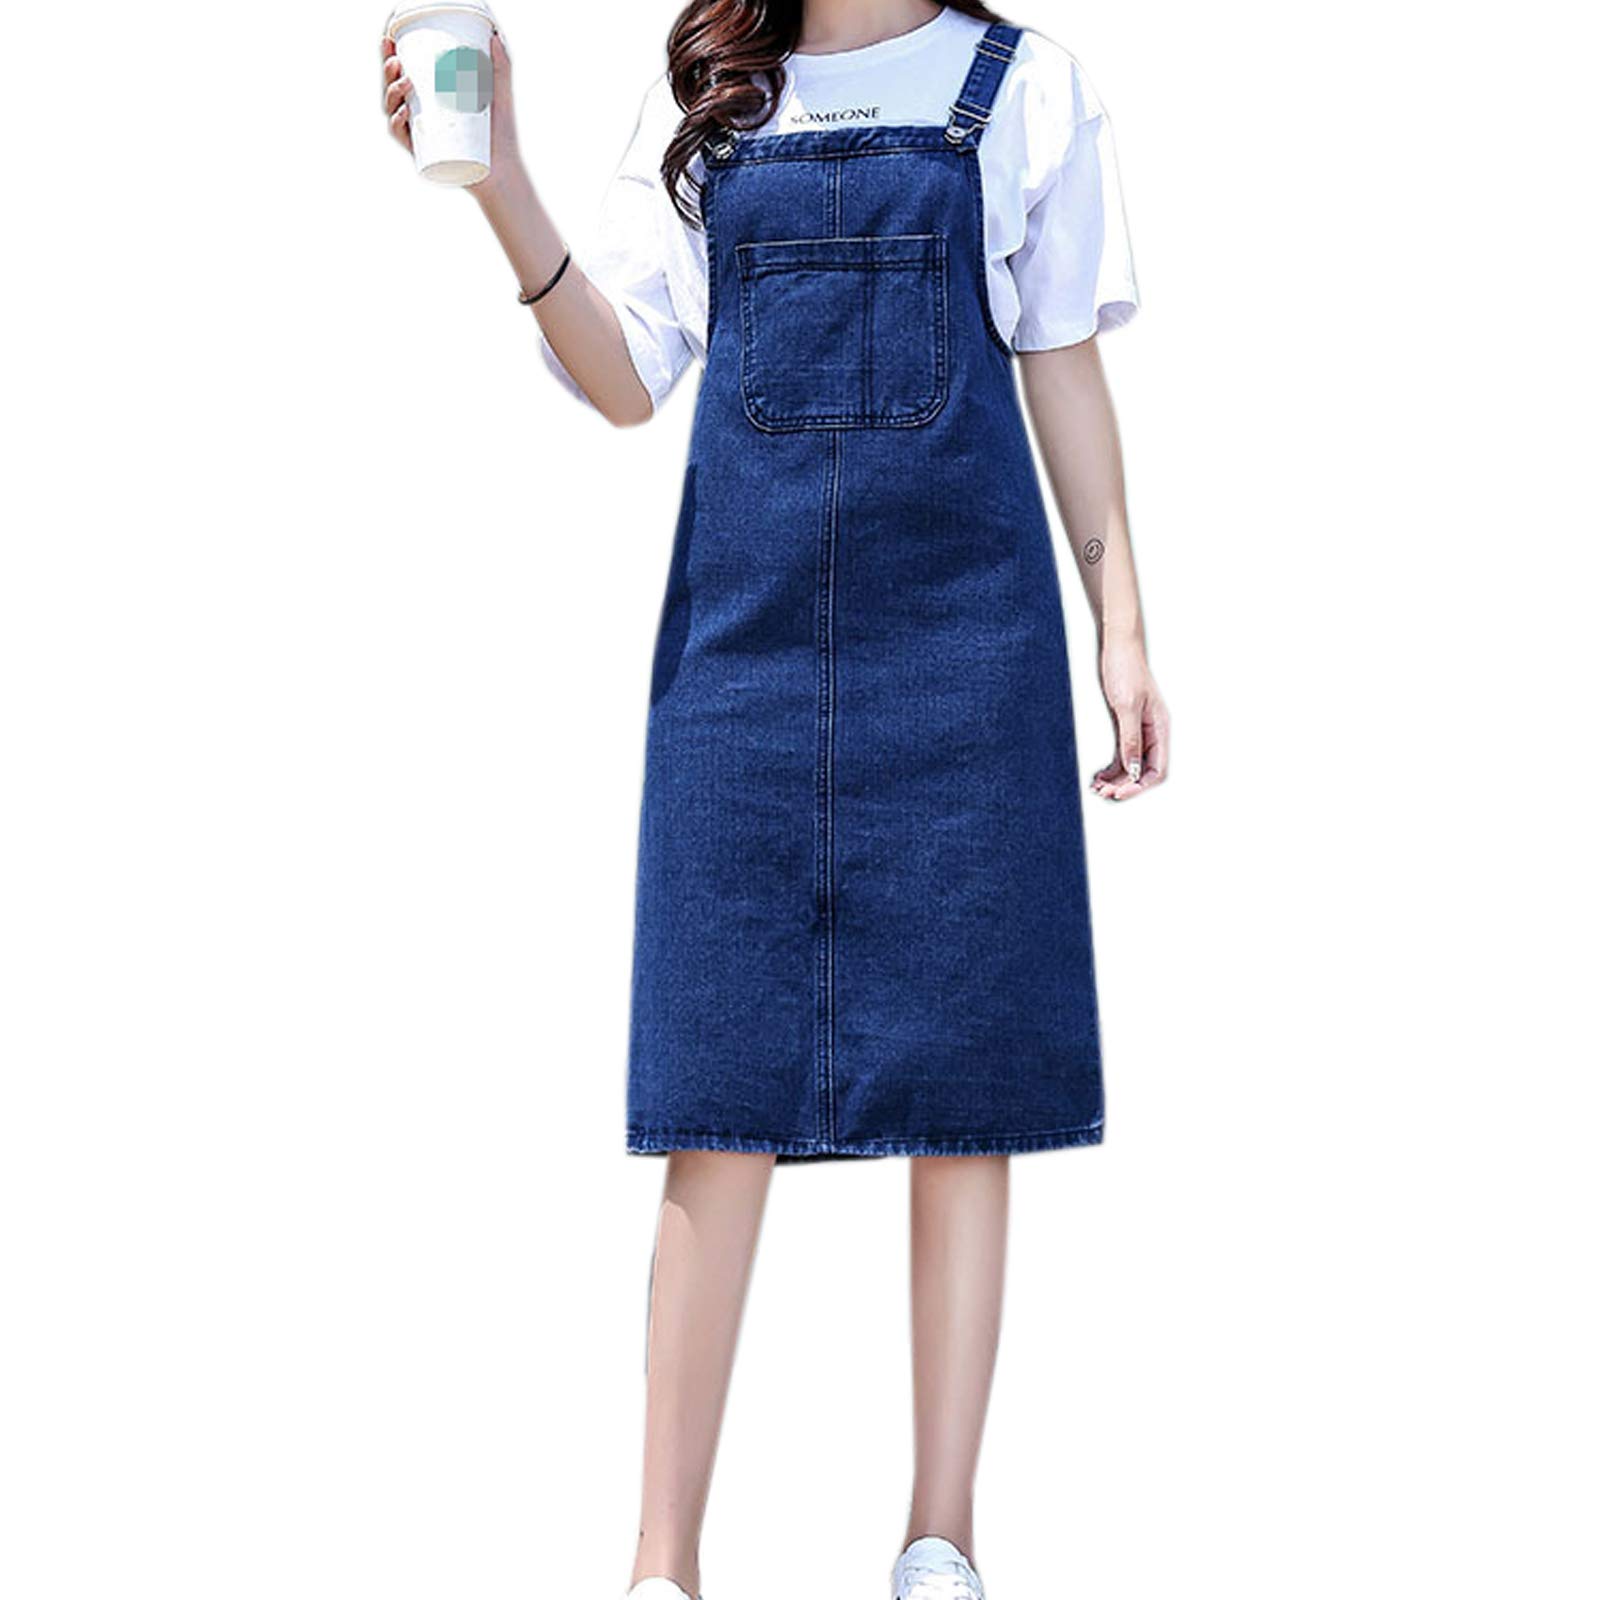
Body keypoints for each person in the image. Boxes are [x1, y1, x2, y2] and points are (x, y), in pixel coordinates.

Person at [382, 3, 1168, 1596]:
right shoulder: (716, 100)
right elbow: (621, 378)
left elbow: (1061, 361)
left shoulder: (1027, 91)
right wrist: (497, 177)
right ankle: (662, 1566)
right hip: (740, 664)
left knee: (963, 1092)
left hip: (965, 649)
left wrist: (1126, 629)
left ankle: (939, 1542)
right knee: (717, 1089)